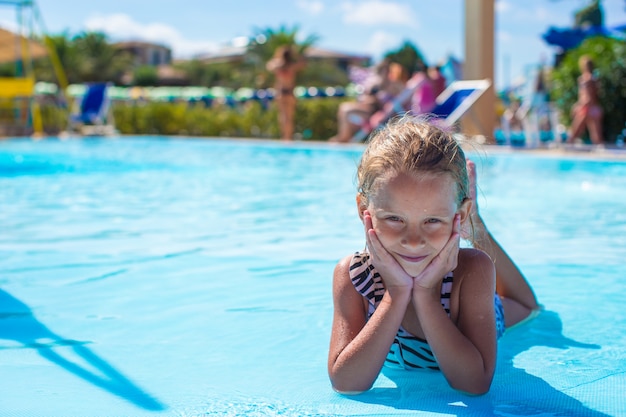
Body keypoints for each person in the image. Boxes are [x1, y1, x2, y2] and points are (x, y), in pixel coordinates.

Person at [327, 116, 540, 395]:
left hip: (474, 304)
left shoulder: (471, 271)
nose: (413, 241)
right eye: (394, 218)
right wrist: (396, 294)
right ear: (363, 210)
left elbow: (475, 384)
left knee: (528, 308)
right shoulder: (354, 277)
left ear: (457, 216)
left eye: (432, 221)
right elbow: (346, 383)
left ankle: (476, 224)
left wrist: (426, 294)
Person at [266, 45, 306, 140]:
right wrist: (296, 55)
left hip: (281, 92)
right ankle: (288, 137)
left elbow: (268, 65)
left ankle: (285, 137)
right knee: (289, 116)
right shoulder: (292, 66)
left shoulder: (278, 67)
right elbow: (303, 63)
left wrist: (277, 56)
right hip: (290, 92)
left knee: (283, 115)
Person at [566, 55, 603, 145]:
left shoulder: (585, 79)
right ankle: (600, 151)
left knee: (575, 131)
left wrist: (579, 106)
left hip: (586, 107)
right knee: (596, 134)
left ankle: (568, 147)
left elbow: (586, 96)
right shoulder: (594, 78)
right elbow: (596, 94)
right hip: (595, 107)